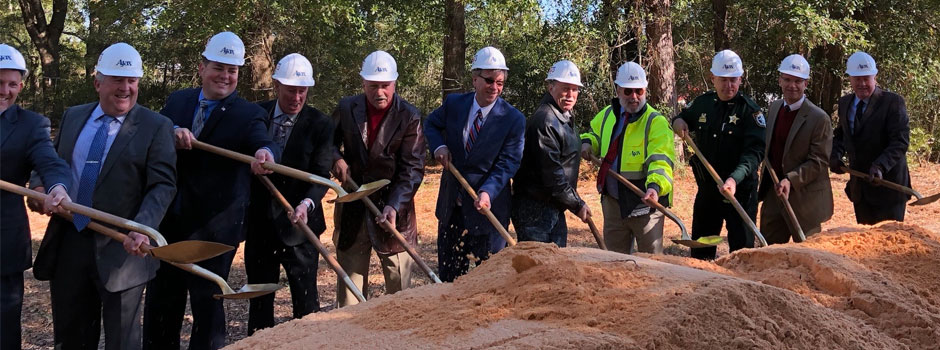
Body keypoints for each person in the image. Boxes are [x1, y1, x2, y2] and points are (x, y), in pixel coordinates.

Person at [29, 42, 177, 350]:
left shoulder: (155, 126)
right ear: (98, 82)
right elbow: (49, 163)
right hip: (69, 245)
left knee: (122, 343)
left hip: (122, 250)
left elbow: (162, 185)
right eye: (117, 80)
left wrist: (142, 227)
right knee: (71, 340)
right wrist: (40, 188)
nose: (126, 88)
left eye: (132, 81)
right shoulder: (73, 116)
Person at [142, 31, 279, 350]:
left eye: (232, 71)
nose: (226, 76)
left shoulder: (248, 114)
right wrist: (172, 131)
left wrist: (266, 155)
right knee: (163, 299)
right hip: (170, 224)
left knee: (207, 304)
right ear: (202, 67)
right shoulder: (178, 101)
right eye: (219, 67)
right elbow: (155, 133)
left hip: (215, 230)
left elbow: (265, 141)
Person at [244, 53, 332, 333]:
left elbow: (321, 175)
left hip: (300, 227)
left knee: (306, 306)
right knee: (259, 302)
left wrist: (307, 203)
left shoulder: (320, 124)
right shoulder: (256, 114)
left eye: (302, 91)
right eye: (291, 90)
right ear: (276, 85)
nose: (296, 97)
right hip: (259, 227)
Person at [331, 51, 425, 306]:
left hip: (394, 212)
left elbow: (412, 169)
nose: (379, 92)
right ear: (363, 83)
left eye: (385, 85)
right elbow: (326, 143)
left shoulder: (409, 116)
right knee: (349, 294)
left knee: (399, 291)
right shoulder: (347, 108)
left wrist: (394, 204)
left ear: (394, 84)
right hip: (353, 206)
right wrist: (335, 159)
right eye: (373, 85)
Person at [425, 46, 525, 282]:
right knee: (450, 278)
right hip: (452, 209)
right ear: (475, 79)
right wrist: (439, 147)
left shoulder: (513, 119)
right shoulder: (454, 105)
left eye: (500, 82)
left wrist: (488, 191)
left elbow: (508, 162)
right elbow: (431, 123)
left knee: (488, 282)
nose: (495, 87)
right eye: (489, 80)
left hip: (489, 212)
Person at [0, 43, 71, 350]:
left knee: (3, 328)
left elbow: (49, 161)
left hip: (3, 242)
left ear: (21, 85)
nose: (5, 91)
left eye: (12, 84)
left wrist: (56, 186)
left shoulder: (31, 125)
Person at [672, 50, 765, 260]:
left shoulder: (750, 112)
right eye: (723, 80)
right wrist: (679, 123)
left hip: (739, 193)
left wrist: (734, 179)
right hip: (708, 193)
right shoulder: (703, 104)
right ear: (713, 78)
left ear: (740, 79)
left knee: (741, 255)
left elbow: (754, 153)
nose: (728, 85)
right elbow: (681, 118)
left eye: (733, 80)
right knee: (702, 250)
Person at [579, 62, 675, 254]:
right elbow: (595, 134)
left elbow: (661, 161)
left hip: (646, 205)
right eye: (628, 91)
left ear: (645, 90)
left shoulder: (655, 122)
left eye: (639, 91)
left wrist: (655, 187)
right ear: (617, 90)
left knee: (652, 265)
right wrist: (587, 143)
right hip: (614, 204)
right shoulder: (607, 115)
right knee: (615, 262)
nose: (634, 97)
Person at [512, 60, 590, 247]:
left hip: (553, 205)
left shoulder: (564, 116)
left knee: (556, 266)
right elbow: (552, 173)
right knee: (538, 269)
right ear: (551, 87)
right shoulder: (545, 121)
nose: (570, 95)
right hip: (534, 209)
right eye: (565, 88)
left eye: (575, 89)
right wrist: (577, 204)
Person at [758, 54, 833, 244]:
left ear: (806, 83)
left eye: (798, 81)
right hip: (774, 196)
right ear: (780, 80)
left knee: (809, 258)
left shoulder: (819, 118)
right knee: (770, 254)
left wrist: (791, 179)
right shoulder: (774, 108)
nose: (793, 85)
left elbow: (819, 161)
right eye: (788, 79)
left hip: (805, 202)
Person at [830, 51, 910, 225]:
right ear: (850, 79)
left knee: (888, 245)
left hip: (889, 190)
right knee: (866, 244)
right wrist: (835, 155)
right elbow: (841, 135)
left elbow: (900, 141)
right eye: (857, 79)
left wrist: (880, 165)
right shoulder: (845, 103)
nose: (862, 84)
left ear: (875, 76)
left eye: (866, 78)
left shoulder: (893, 102)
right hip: (861, 191)